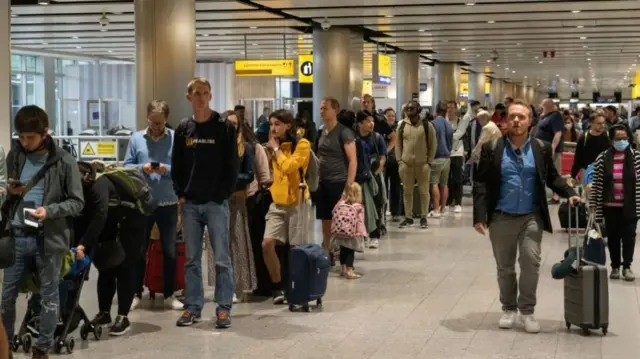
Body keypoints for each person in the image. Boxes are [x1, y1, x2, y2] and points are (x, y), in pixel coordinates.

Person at [473, 99, 579, 334]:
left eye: (522, 117)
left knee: (531, 264)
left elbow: (552, 177)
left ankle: (527, 311)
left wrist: (569, 192)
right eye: (512, 116)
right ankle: (509, 309)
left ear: (530, 121)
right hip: (501, 217)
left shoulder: (541, 148)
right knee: (505, 267)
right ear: (506, 120)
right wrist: (479, 215)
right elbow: (480, 183)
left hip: (531, 217)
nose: (517, 120)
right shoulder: (493, 148)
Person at [1, 105, 84, 358]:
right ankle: (5, 347)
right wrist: (10, 193)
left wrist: (49, 211)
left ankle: (42, 348)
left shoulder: (65, 161)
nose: (25, 142)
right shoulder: (14, 156)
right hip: (16, 236)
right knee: (6, 298)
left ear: (45, 133)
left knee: (49, 296)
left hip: (47, 238)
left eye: (30, 137)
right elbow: (8, 193)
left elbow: (77, 202)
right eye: (21, 137)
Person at [171, 77, 240, 328]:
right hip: (190, 203)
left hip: (215, 203)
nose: (201, 97)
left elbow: (232, 165)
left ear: (211, 96)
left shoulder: (223, 126)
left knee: (221, 258)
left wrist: (222, 194)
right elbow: (177, 163)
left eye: (205, 93)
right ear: (189, 97)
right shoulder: (183, 128)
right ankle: (193, 307)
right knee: (191, 259)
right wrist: (180, 192)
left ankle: (223, 308)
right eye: (196, 93)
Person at [76, 161, 147, 336]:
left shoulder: (98, 185)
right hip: (111, 227)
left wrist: (83, 243)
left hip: (131, 224)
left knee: (125, 269)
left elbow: (100, 215)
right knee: (105, 268)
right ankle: (105, 313)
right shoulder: (77, 188)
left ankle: (123, 316)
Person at [125, 100, 181, 311]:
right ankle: (136, 292)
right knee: (138, 250)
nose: (156, 127)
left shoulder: (175, 139)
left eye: (160, 123)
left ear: (166, 120)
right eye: (152, 122)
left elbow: (183, 169)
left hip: (168, 201)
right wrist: (143, 168)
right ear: (147, 118)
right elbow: (127, 167)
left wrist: (165, 169)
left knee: (170, 250)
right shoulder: (136, 138)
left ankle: (169, 293)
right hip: (142, 201)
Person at [206, 111, 256, 303]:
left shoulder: (247, 148)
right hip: (216, 199)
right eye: (228, 124)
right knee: (217, 243)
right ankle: (221, 286)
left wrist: (228, 180)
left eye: (235, 125)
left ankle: (238, 286)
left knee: (237, 243)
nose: (231, 128)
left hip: (235, 199)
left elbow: (249, 175)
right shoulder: (214, 146)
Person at [262, 110, 311, 304]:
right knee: (267, 244)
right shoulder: (275, 147)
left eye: (277, 124)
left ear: (288, 125)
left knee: (295, 248)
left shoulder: (302, 144)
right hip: (277, 201)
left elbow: (289, 167)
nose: (273, 128)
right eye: (271, 124)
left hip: (297, 200)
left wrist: (276, 151)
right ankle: (277, 286)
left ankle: (295, 286)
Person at [589, 125, 640, 281]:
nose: (621, 141)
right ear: (611, 139)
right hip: (610, 206)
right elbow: (597, 184)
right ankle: (615, 267)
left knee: (629, 237)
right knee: (613, 238)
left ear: (629, 139)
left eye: (624, 138)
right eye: (618, 138)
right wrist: (593, 205)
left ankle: (627, 267)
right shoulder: (602, 158)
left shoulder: (637, 157)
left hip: (630, 206)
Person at [315, 97, 357, 253]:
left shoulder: (344, 132)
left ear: (335, 110)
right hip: (323, 181)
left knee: (341, 219)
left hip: (339, 181)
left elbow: (353, 160)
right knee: (325, 219)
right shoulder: (322, 131)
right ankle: (327, 248)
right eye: (321, 108)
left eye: (325, 108)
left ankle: (344, 254)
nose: (322, 111)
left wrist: (349, 185)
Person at [396, 101, 437, 228]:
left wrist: (429, 161)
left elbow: (433, 144)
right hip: (406, 164)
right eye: (407, 108)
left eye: (412, 108)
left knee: (424, 192)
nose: (409, 110)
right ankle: (408, 217)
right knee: (407, 191)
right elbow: (398, 144)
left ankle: (423, 217)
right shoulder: (402, 125)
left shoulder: (426, 125)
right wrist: (400, 161)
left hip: (422, 164)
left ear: (418, 109)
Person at [355, 110, 387, 248]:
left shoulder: (377, 137)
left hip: (374, 176)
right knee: (360, 206)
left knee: (376, 203)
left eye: (372, 121)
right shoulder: (353, 138)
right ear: (360, 123)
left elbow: (383, 156)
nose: (371, 124)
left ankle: (375, 235)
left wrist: (376, 172)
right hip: (359, 176)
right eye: (368, 121)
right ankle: (362, 234)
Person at [330, 182, 367, 280]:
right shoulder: (358, 207)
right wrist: (362, 233)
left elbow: (333, 212)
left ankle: (343, 269)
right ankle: (350, 271)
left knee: (343, 250)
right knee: (350, 251)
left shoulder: (340, 203)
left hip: (340, 232)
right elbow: (360, 222)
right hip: (352, 233)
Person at [535, 99, 564, 204]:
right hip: (542, 150)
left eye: (542, 105)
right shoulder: (545, 116)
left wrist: (552, 147)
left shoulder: (556, 116)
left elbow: (558, 133)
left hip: (552, 151)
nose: (540, 107)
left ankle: (556, 196)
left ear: (549, 106)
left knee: (555, 172)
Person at [429, 101, 454, 218]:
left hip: (436, 157)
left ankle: (435, 209)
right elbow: (451, 142)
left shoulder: (433, 124)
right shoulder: (449, 125)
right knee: (444, 184)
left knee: (434, 183)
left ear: (436, 111)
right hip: (447, 158)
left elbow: (430, 141)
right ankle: (443, 208)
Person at [571, 113, 610, 185]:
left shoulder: (608, 136)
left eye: (603, 123)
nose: (602, 126)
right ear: (591, 123)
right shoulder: (584, 138)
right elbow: (578, 158)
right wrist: (573, 175)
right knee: (587, 195)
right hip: (587, 172)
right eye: (599, 123)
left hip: (605, 172)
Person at [447, 100, 471, 213]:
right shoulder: (444, 122)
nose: (450, 110)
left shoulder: (460, 122)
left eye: (452, 108)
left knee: (457, 179)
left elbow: (460, 135)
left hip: (457, 153)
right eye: (448, 108)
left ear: (455, 109)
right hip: (446, 153)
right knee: (446, 179)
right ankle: (448, 201)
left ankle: (458, 202)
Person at [383, 108, 403, 221]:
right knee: (383, 186)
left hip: (395, 161)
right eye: (389, 116)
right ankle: (383, 209)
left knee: (396, 187)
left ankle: (395, 211)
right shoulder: (381, 129)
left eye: (393, 116)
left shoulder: (398, 129)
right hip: (384, 162)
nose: (391, 118)